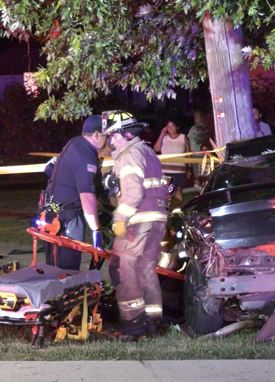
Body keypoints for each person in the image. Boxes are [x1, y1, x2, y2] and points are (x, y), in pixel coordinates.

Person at [103, 110, 168, 337]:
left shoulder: (129, 155)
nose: (111, 141)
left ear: (128, 135)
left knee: (122, 268)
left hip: (136, 222)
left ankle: (132, 323)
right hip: (157, 220)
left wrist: (120, 220)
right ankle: (153, 321)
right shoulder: (148, 151)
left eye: (114, 136)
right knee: (146, 269)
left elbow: (133, 193)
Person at [42, 115, 106, 271]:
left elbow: (50, 168)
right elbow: (86, 196)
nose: (109, 140)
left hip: (53, 213)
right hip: (66, 219)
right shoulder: (85, 157)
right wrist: (96, 231)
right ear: (97, 135)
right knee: (67, 269)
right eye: (107, 135)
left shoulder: (76, 143)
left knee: (55, 267)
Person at [153, 120, 191, 201]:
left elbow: (188, 153)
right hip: (165, 170)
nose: (170, 128)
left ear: (177, 127)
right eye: (168, 126)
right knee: (166, 191)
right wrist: (161, 134)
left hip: (180, 170)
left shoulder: (183, 137)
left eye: (172, 126)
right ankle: (167, 211)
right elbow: (156, 149)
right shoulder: (164, 138)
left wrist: (189, 167)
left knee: (178, 190)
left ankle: (178, 210)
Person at [187, 110, 214, 190]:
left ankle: (206, 189)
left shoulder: (205, 129)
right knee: (197, 176)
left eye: (197, 117)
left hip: (203, 155)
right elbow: (188, 141)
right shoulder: (193, 129)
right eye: (195, 117)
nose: (196, 119)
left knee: (205, 174)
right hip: (195, 155)